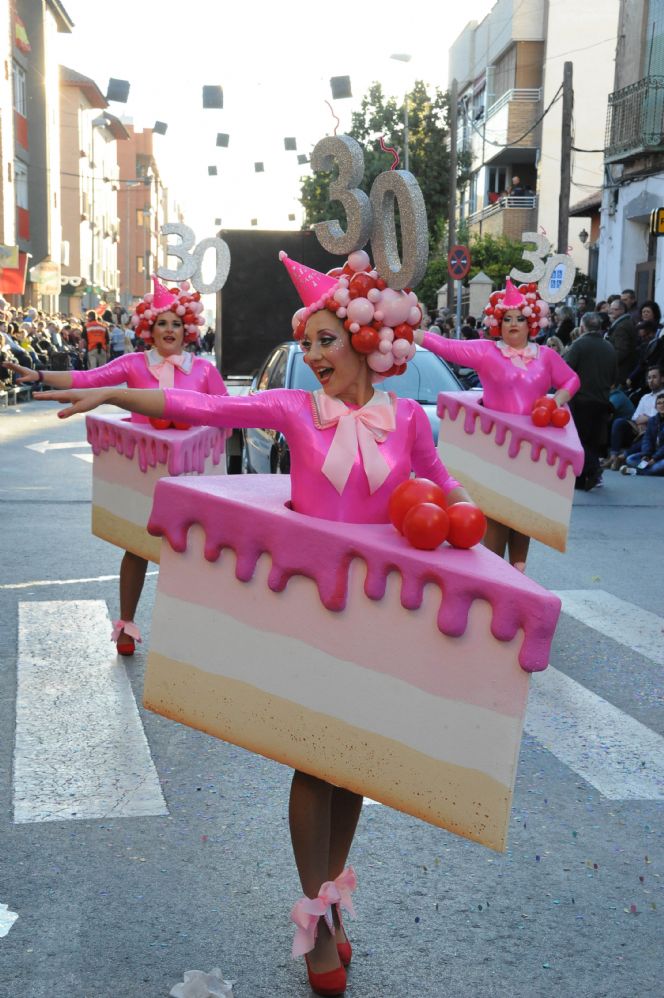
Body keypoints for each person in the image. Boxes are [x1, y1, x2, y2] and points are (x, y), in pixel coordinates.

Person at [38, 249, 470, 998]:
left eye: (325, 341)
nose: (311, 356)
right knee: (314, 757)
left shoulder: (406, 421)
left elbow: (448, 489)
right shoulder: (292, 409)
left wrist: (468, 524)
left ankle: (334, 898)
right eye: (306, 343)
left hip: (377, 616)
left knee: (357, 764)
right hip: (307, 612)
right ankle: (318, 921)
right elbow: (202, 409)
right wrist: (90, 386)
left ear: (367, 341)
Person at [4, 277, 228, 656]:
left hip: (192, 477)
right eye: (162, 323)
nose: (169, 330)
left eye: (176, 323)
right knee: (136, 548)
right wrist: (40, 375)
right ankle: (126, 625)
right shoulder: (134, 364)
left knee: (194, 557)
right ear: (149, 329)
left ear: (188, 328)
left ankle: (195, 635)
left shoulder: (203, 371)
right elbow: (89, 379)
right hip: (142, 475)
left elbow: (226, 413)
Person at [415, 278, 580, 568]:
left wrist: (556, 401)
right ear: (497, 323)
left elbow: (571, 379)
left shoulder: (547, 357)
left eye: (519, 318)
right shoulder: (486, 352)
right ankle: (495, 574)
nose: (513, 324)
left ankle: (519, 573)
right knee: (494, 511)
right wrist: (415, 335)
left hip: (531, 446)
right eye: (507, 319)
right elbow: (447, 346)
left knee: (523, 515)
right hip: (493, 445)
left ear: (532, 323)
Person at [564, 312, 617, 489]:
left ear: (582, 326)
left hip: (581, 400)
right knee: (593, 440)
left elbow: (567, 372)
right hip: (602, 400)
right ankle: (586, 476)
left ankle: (590, 471)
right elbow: (614, 377)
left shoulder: (578, 345)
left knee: (580, 440)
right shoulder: (609, 347)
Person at [603, 365, 664, 469]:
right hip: (639, 430)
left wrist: (646, 419)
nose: (651, 380)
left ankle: (622, 457)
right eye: (649, 378)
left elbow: (658, 416)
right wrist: (643, 421)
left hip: (656, 432)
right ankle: (613, 457)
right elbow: (635, 417)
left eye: (654, 377)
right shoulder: (645, 397)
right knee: (619, 422)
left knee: (647, 436)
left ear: (662, 379)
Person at [620, 392, 664, 475]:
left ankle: (634, 471)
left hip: (660, 456)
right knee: (630, 459)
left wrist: (654, 459)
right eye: (659, 403)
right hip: (653, 453)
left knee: (658, 466)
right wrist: (646, 455)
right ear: (656, 407)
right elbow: (647, 439)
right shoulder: (652, 420)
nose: (662, 405)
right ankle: (648, 470)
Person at [607, 299, 638, 386]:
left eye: (615, 309)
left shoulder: (621, 327)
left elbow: (621, 351)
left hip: (621, 371)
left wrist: (608, 362)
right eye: (611, 309)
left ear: (622, 310)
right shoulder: (624, 323)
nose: (611, 311)